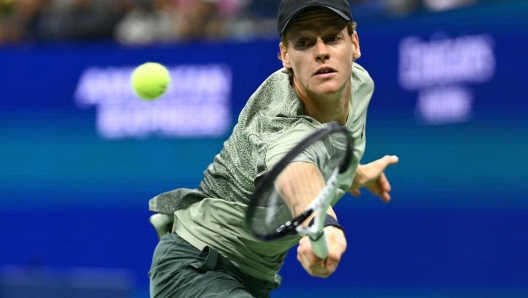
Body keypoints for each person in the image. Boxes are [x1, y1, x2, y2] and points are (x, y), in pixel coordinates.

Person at [148, 0, 399, 296]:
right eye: (304, 42)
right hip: (195, 267)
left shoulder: (359, 85)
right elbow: (300, 181)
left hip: (254, 278)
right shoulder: (279, 123)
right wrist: (327, 228)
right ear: (285, 56)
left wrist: (356, 173)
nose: (321, 52)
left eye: (332, 38)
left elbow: (324, 157)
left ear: (354, 43)